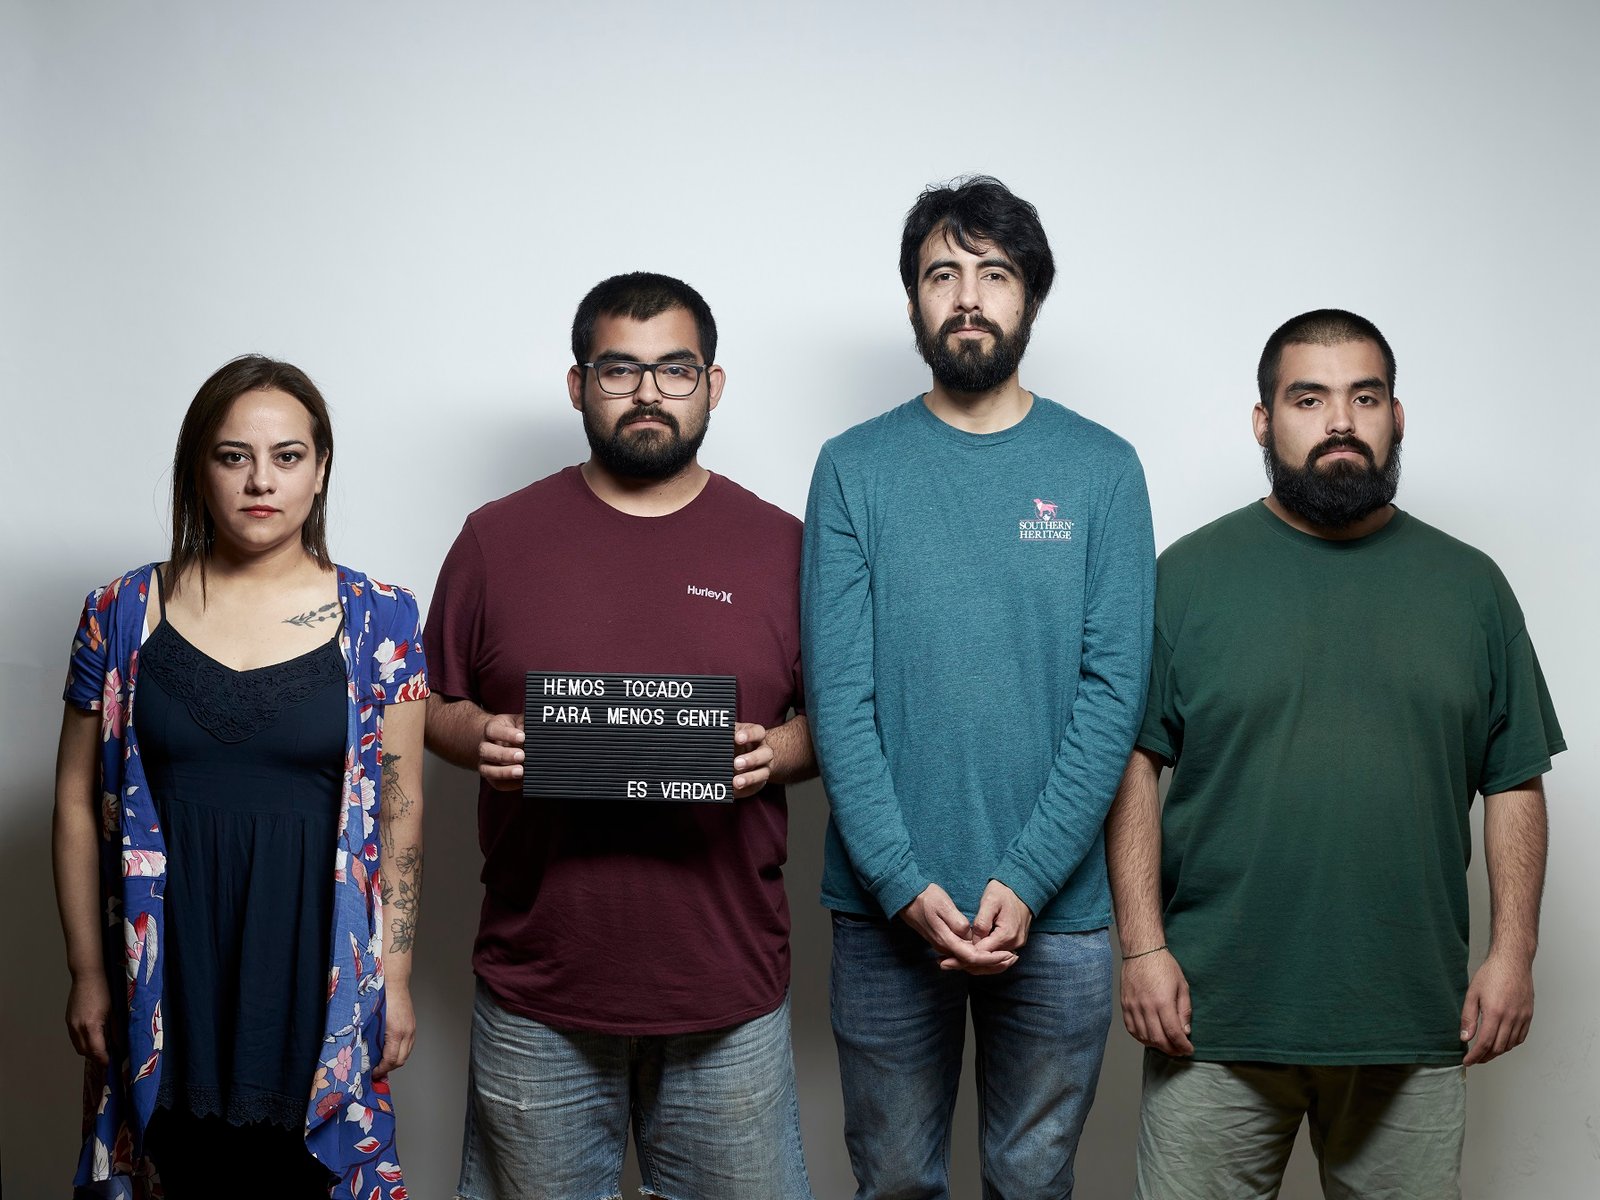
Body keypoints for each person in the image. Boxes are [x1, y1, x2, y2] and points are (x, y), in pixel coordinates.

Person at [1105, 309, 1564, 1199]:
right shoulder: (1185, 579)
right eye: (1308, 399)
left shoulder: (1471, 587)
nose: (1341, 422)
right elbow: (1133, 766)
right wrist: (1142, 948)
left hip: (1411, 1020)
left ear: (1398, 416)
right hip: (1214, 1020)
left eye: (1366, 397)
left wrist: (1514, 955)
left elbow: (1515, 780)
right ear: (1263, 420)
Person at [424, 272, 815, 1200]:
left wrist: (777, 753)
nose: (648, 393)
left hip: (726, 988)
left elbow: (845, 722)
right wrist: (480, 735)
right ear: (578, 385)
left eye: (675, 370)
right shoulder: (495, 539)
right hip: (539, 991)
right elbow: (426, 703)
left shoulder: (785, 546)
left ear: (713, 386)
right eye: (618, 370)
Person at [802, 175, 1156, 1198]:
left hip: (1061, 914)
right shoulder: (852, 468)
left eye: (993, 273)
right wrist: (900, 881)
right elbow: (838, 697)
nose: (966, 296)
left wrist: (1030, 878)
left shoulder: (1102, 470)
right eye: (940, 274)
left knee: (1031, 1183)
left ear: (1029, 296)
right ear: (912, 300)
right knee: (893, 1184)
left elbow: (1112, 695)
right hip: (886, 914)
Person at [53, 356, 429, 1199]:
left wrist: (395, 980)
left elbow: (398, 816)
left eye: (288, 456)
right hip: (165, 973)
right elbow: (76, 801)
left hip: (313, 969)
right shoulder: (120, 612)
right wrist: (87, 972)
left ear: (320, 469)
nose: (262, 480)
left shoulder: (383, 617)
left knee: (300, 1179)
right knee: (176, 1171)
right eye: (234, 456)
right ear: (198, 467)